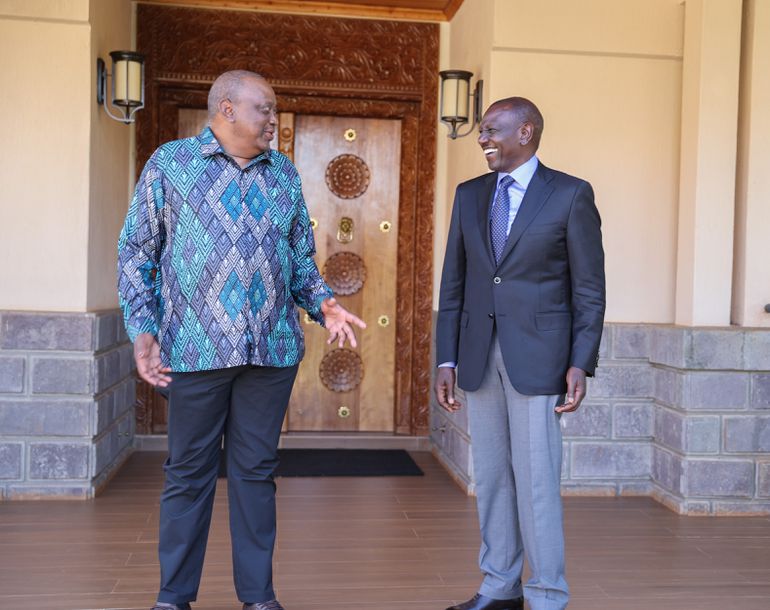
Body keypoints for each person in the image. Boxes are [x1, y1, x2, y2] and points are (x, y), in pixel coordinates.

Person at [118, 70, 365, 610]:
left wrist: (323, 303)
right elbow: (137, 254)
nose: (273, 120)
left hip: (270, 352)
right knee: (188, 476)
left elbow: (300, 259)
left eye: (274, 110)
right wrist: (143, 331)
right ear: (226, 109)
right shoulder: (171, 165)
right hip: (195, 351)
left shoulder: (284, 175)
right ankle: (173, 598)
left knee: (256, 475)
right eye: (265, 109)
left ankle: (258, 597)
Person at [434, 97, 605, 610]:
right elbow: (454, 284)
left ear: (525, 132)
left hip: (540, 359)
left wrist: (581, 360)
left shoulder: (571, 195)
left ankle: (548, 594)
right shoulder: (469, 195)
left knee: (535, 481)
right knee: (490, 478)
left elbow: (589, 289)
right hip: (479, 356)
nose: (483, 138)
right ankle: (499, 585)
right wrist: (446, 359)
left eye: (492, 130)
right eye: (482, 130)